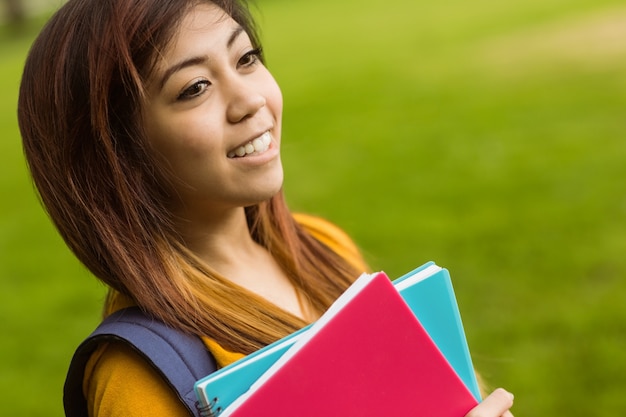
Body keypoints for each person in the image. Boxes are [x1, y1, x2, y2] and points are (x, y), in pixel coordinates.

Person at [17, 0, 515, 416]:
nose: (248, 100)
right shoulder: (137, 376)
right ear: (117, 155)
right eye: (194, 89)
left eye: (247, 59)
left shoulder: (321, 243)